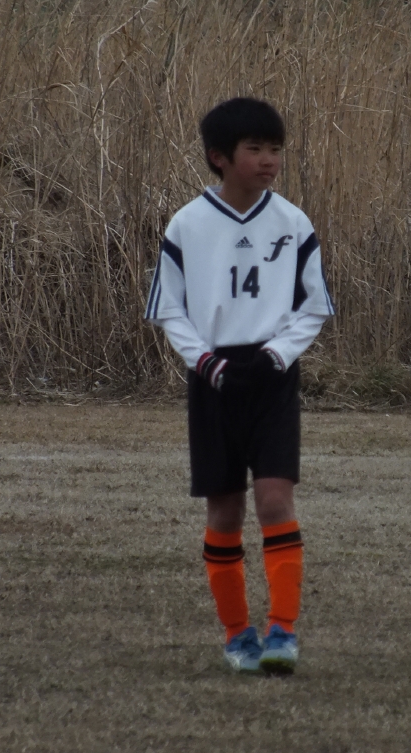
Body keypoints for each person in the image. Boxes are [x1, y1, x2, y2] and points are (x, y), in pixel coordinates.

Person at [146, 97, 334, 675]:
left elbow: (314, 307)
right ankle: (237, 636)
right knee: (225, 509)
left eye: (276, 149)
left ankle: (282, 632)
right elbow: (167, 309)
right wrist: (205, 362)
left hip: (273, 377)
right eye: (254, 149)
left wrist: (278, 355)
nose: (269, 160)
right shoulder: (187, 224)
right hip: (215, 380)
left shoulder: (293, 222)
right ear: (219, 157)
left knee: (275, 498)